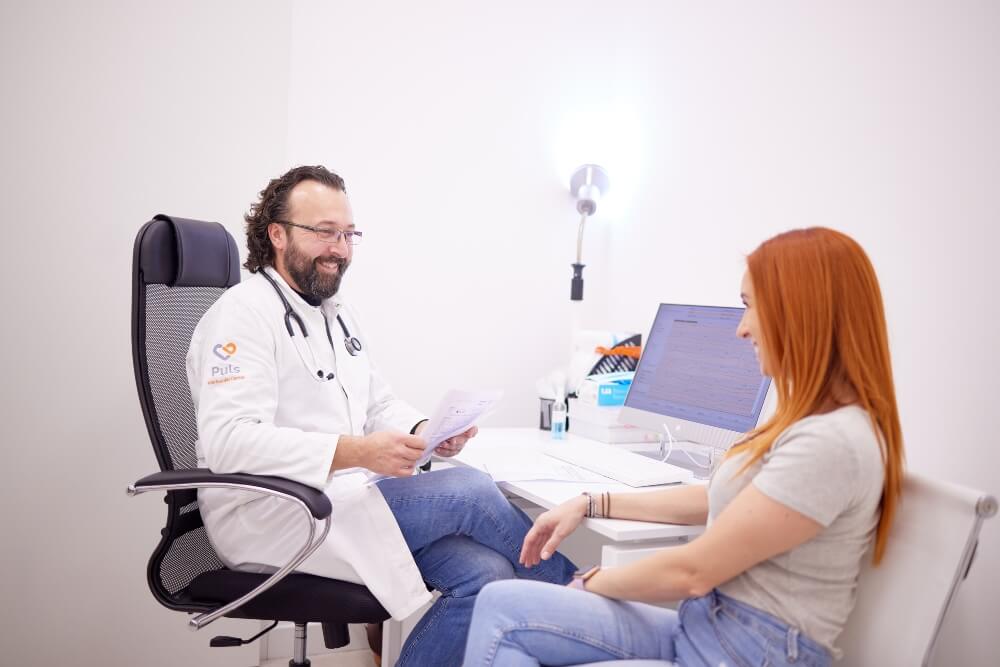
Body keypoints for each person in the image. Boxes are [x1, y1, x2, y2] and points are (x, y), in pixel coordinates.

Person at [186, 165, 575, 666]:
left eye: (349, 234)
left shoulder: (334, 312)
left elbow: (376, 403)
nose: (340, 248)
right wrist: (355, 451)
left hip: (341, 500)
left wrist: (425, 432)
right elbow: (229, 442)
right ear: (277, 235)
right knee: (473, 492)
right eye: (325, 232)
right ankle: (586, 595)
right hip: (274, 515)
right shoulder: (241, 314)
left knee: (486, 576)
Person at [463, 227, 905, 667]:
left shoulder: (832, 443)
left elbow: (692, 572)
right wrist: (591, 502)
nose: (741, 329)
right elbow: (714, 497)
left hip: (750, 653)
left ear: (804, 313)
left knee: (512, 618)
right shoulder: (807, 423)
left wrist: (593, 580)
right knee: (499, 604)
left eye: (751, 307)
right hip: (708, 629)